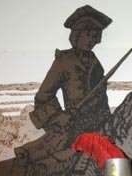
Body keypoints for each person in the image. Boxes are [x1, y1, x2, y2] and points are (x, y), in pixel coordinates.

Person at [14, 5, 113, 167]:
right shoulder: (64, 60)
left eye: (94, 35)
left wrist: (108, 121)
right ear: (77, 34)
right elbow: (43, 96)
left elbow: (102, 99)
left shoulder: (97, 65)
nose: (91, 39)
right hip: (72, 126)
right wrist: (60, 118)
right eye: (87, 34)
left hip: (99, 124)